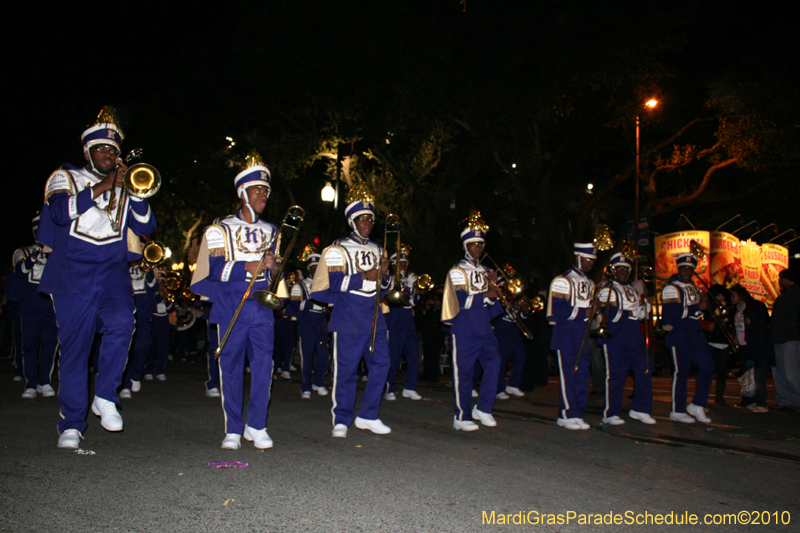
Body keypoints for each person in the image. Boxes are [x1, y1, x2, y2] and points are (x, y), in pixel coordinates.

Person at [37, 106, 156, 449]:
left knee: (122, 323)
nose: (109, 155)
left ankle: (105, 395)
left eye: (114, 151)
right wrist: (105, 186)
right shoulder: (64, 176)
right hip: (72, 271)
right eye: (102, 149)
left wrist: (133, 190)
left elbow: (147, 226)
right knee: (76, 350)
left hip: (113, 271)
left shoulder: (124, 184)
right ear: (87, 151)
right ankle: (71, 423)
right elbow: (59, 213)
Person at [191, 150, 284, 450]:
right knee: (230, 368)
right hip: (231, 304)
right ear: (243, 192)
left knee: (262, 368)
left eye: (266, 190)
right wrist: (249, 265)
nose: (263, 195)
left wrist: (273, 268)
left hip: (260, 308)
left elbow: (275, 277)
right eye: (258, 189)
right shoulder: (220, 228)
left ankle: (257, 425)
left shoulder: (272, 230)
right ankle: (233, 428)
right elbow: (215, 271)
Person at [310, 182, 392, 438]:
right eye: (361, 218)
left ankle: (368, 414)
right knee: (346, 371)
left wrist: (386, 276)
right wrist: (366, 274)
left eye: (370, 218)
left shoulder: (379, 248)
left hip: (375, 316)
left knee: (382, 365)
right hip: (348, 316)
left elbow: (385, 288)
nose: (367, 222)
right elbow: (335, 285)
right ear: (352, 221)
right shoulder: (337, 249)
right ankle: (342, 418)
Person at [441, 210, 503, 431]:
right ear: (465, 246)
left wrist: (496, 289)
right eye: (474, 244)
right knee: (463, 372)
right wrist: (486, 294)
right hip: (464, 326)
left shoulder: (487, 271)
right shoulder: (457, 271)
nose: (478, 247)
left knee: (495, 363)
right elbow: (460, 301)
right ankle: (462, 415)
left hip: (484, 326)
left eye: (481, 244)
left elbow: (492, 306)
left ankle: (483, 408)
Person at [596, 253, 655, 425]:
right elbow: (607, 314)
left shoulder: (632, 289)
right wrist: (631, 313)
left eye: (625, 269)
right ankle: (611, 412)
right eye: (619, 268)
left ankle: (640, 408)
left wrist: (643, 312)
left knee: (645, 368)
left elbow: (637, 311)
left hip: (634, 334)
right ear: (614, 270)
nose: (622, 271)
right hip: (615, 336)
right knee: (616, 375)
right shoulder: (607, 289)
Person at [547, 243, 597, 430]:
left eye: (593, 260)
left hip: (582, 332)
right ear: (578, 258)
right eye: (589, 259)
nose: (591, 263)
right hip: (566, 333)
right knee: (569, 374)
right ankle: (566, 413)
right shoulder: (563, 281)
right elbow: (558, 309)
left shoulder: (590, 282)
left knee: (583, 374)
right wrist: (585, 312)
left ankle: (578, 412)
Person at [660, 253, 715, 424]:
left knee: (708, 366)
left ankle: (697, 404)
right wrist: (697, 306)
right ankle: (677, 410)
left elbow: (695, 311)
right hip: (680, 334)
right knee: (681, 373)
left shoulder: (693, 286)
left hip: (696, 333)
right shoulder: (671, 288)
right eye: (683, 268)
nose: (686, 272)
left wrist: (702, 307)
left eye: (689, 269)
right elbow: (672, 315)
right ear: (679, 269)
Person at [16, 214, 59, 399]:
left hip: (50, 303)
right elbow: (20, 270)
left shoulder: (56, 253)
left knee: (50, 344)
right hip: (30, 303)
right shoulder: (23, 251)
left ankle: (44, 381)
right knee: (30, 345)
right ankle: (30, 383)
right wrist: (36, 253)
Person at [286, 247, 330, 399]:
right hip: (307, 323)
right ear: (309, 270)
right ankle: (305, 386)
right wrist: (309, 303)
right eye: (312, 268)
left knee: (323, 355)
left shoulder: (326, 285)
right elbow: (291, 308)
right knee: (307, 356)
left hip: (322, 322)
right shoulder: (301, 286)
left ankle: (319, 381)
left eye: (317, 268)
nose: (314, 271)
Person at [384, 247, 422, 401]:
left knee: (414, 355)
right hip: (395, 319)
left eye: (405, 264)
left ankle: (410, 387)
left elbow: (413, 302)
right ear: (394, 265)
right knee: (394, 356)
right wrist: (408, 287)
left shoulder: (408, 280)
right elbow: (396, 298)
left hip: (408, 320)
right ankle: (389, 388)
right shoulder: (390, 280)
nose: (404, 267)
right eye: (401, 264)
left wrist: (413, 288)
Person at [729, 284, 773, 412]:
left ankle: (761, 402)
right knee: (747, 375)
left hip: (754, 344)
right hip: (744, 344)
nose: (732, 298)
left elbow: (757, 328)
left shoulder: (752, 308)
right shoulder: (737, 309)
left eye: (734, 296)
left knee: (758, 375)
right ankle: (749, 399)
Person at [119, 260, 158, 399]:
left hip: (144, 307)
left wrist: (149, 269)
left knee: (144, 343)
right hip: (126, 302)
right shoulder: (123, 261)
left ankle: (136, 374)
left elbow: (153, 286)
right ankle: (125, 383)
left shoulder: (148, 265)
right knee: (126, 343)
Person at [771, 268, 800, 409]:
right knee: (780, 372)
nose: (779, 281)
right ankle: (784, 400)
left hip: (790, 337)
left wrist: (785, 329)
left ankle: (796, 401)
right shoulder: (783, 295)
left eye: (781, 278)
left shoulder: (795, 294)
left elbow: (793, 318)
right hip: (780, 337)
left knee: (791, 372)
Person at [702, 284, 732, 405]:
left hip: (724, 343)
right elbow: (708, 317)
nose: (720, 297)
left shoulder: (729, 307)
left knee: (721, 370)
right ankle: (703, 395)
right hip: (711, 341)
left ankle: (719, 397)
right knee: (707, 369)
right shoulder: (710, 306)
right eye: (718, 295)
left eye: (721, 295)